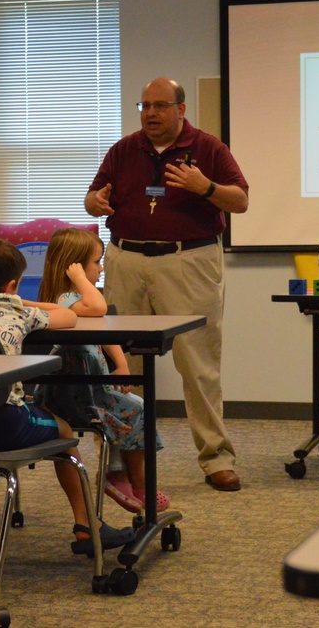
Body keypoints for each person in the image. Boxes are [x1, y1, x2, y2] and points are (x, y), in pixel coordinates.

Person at [84, 77, 250, 491]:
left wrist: (205, 187)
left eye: (160, 106)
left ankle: (216, 459)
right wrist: (95, 203)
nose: (151, 114)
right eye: (144, 106)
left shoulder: (209, 148)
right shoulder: (124, 149)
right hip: (126, 259)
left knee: (198, 365)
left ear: (181, 109)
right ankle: (123, 457)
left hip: (188, 260)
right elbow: (91, 197)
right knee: (121, 361)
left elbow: (241, 201)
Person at [0, 237, 135, 554]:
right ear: (14, 284)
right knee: (65, 430)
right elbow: (68, 317)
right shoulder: (18, 312)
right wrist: (22, 302)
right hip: (1, 424)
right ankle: (87, 524)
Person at [36, 227, 170, 513]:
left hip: (88, 391)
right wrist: (82, 280)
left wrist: (121, 363)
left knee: (130, 409)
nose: (100, 269)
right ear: (73, 267)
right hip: (73, 397)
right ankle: (132, 480)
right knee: (137, 410)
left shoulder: (75, 299)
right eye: (96, 262)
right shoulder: (67, 299)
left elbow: (103, 323)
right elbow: (99, 308)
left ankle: (121, 476)